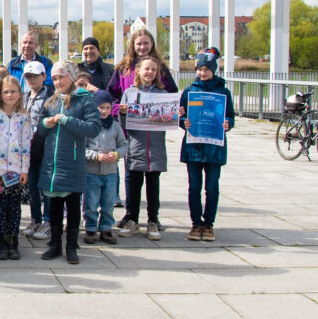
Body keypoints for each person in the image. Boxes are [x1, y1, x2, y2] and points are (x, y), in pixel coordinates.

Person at [38, 61, 101, 263]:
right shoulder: (51, 101)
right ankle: (55, 244)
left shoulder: (85, 99)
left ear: (72, 76)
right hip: (52, 163)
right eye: (54, 78)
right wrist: (45, 124)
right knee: (54, 205)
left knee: (73, 206)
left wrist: (67, 120)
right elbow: (39, 131)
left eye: (61, 77)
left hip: (73, 163)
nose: (57, 82)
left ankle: (71, 246)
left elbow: (93, 128)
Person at [179, 48, 235, 242]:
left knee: (211, 187)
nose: (202, 73)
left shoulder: (223, 91)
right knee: (194, 187)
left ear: (214, 70)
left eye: (206, 69)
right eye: (199, 69)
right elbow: (182, 118)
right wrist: (183, 121)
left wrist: (227, 124)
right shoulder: (189, 91)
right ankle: (195, 223)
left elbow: (230, 117)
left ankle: (208, 223)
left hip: (214, 148)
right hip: (193, 147)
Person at [118, 56, 169, 241]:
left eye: (153, 70)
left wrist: (174, 115)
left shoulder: (163, 94)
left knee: (153, 186)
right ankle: (131, 219)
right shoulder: (130, 92)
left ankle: (153, 220)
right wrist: (123, 113)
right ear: (138, 71)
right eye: (146, 69)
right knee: (133, 185)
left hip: (155, 147)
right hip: (135, 146)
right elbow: (123, 124)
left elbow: (168, 122)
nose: (149, 72)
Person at [0, 75, 33, 260]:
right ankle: (3, 242)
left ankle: (14, 242)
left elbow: (26, 144)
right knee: (0, 208)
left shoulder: (24, 116)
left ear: (19, 94)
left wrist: (24, 170)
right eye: (6, 92)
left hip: (16, 171)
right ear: (0, 95)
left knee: (15, 208)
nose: (10, 95)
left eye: (13, 91)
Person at [83, 89, 126, 244]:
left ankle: (106, 228)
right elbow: (82, 147)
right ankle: (91, 227)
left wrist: (115, 155)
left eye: (107, 107)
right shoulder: (90, 126)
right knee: (91, 203)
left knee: (108, 203)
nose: (104, 111)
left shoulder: (115, 126)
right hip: (92, 171)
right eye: (101, 107)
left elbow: (123, 145)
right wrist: (95, 155)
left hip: (110, 172)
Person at [21, 61, 51, 241]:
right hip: (27, 149)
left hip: (45, 147)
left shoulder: (51, 97)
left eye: (35, 76)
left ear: (43, 76)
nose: (32, 79)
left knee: (45, 187)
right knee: (31, 186)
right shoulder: (23, 97)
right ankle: (35, 219)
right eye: (29, 76)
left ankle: (48, 221)